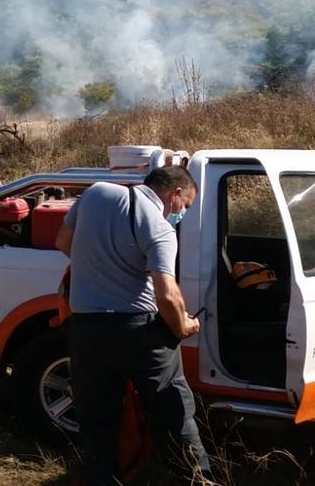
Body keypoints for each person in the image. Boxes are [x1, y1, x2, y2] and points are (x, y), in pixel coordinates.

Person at [55, 166, 213, 485]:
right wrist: (184, 326)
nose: (182, 214)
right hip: (139, 330)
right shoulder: (160, 228)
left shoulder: (96, 193)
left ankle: (104, 479)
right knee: (173, 409)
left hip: (87, 329)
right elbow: (166, 295)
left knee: (98, 417)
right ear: (176, 194)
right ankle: (197, 480)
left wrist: (98, 266)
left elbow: (63, 241)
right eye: (186, 206)